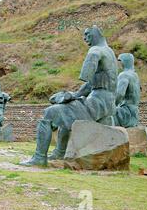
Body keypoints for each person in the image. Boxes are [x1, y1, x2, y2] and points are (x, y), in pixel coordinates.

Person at [20, 26, 118, 166]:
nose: (85, 38)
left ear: (96, 34)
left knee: (50, 112)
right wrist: (76, 95)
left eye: (87, 35)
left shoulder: (96, 50)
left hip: (97, 104)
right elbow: (92, 84)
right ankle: (60, 152)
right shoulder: (110, 53)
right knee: (66, 114)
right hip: (107, 103)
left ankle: (40, 157)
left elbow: (86, 76)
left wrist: (89, 63)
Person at [114, 53, 140, 128]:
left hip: (125, 113)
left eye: (119, 61)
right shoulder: (135, 75)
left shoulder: (124, 75)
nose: (118, 63)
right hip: (134, 113)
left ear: (123, 61)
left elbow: (119, 94)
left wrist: (112, 106)